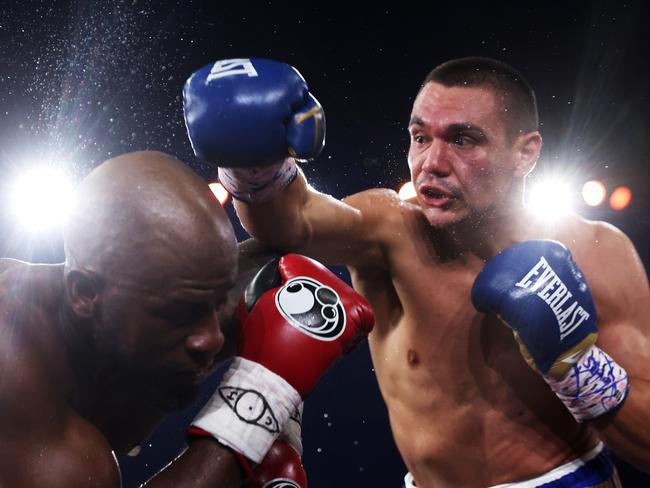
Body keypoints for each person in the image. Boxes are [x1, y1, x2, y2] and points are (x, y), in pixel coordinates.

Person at [183, 57, 650, 487]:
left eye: (463, 139)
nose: (432, 163)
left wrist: (576, 367)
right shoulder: (391, 231)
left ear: (525, 154)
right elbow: (290, 221)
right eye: (421, 137)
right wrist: (252, 163)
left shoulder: (596, 252)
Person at [0, 150, 374, 487]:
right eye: (181, 314)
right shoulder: (16, 378)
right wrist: (262, 395)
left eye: (215, 306)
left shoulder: (131, 303)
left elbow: (266, 262)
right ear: (84, 294)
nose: (210, 338)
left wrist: (259, 170)